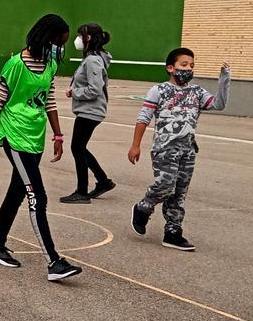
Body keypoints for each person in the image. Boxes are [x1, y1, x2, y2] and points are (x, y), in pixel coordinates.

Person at [0, 14, 82, 282]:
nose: (61, 48)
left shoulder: (49, 65)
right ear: (46, 38)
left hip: (35, 138)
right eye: (59, 42)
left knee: (16, 194)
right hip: (14, 137)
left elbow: (48, 100)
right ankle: (54, 261)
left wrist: (58, 136)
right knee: (38, 196)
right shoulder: (15, 64)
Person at [128, 48, 231, 250]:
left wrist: (224, 79)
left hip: (188, 150)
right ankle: (144, 206)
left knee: (179, 192)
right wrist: (135, 145)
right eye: (183, 65)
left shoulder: (197, 92)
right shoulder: (158, 91)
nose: (188, 69)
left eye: (191, 65)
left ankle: (173, 232)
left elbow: (219, 104)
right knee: (165, 186)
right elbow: (143, 119)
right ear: (170, 68)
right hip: (165, 148)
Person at [60, 23, 116, 204]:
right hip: (88, 110)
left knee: (77, 148)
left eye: (80, 35)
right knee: (80, 147)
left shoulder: (93, 60)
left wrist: (73, 92)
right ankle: (103, 181)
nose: (77, 40)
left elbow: (94, 89)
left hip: (90, 111)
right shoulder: (95, 57)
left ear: (88, 38)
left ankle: (82, 192)